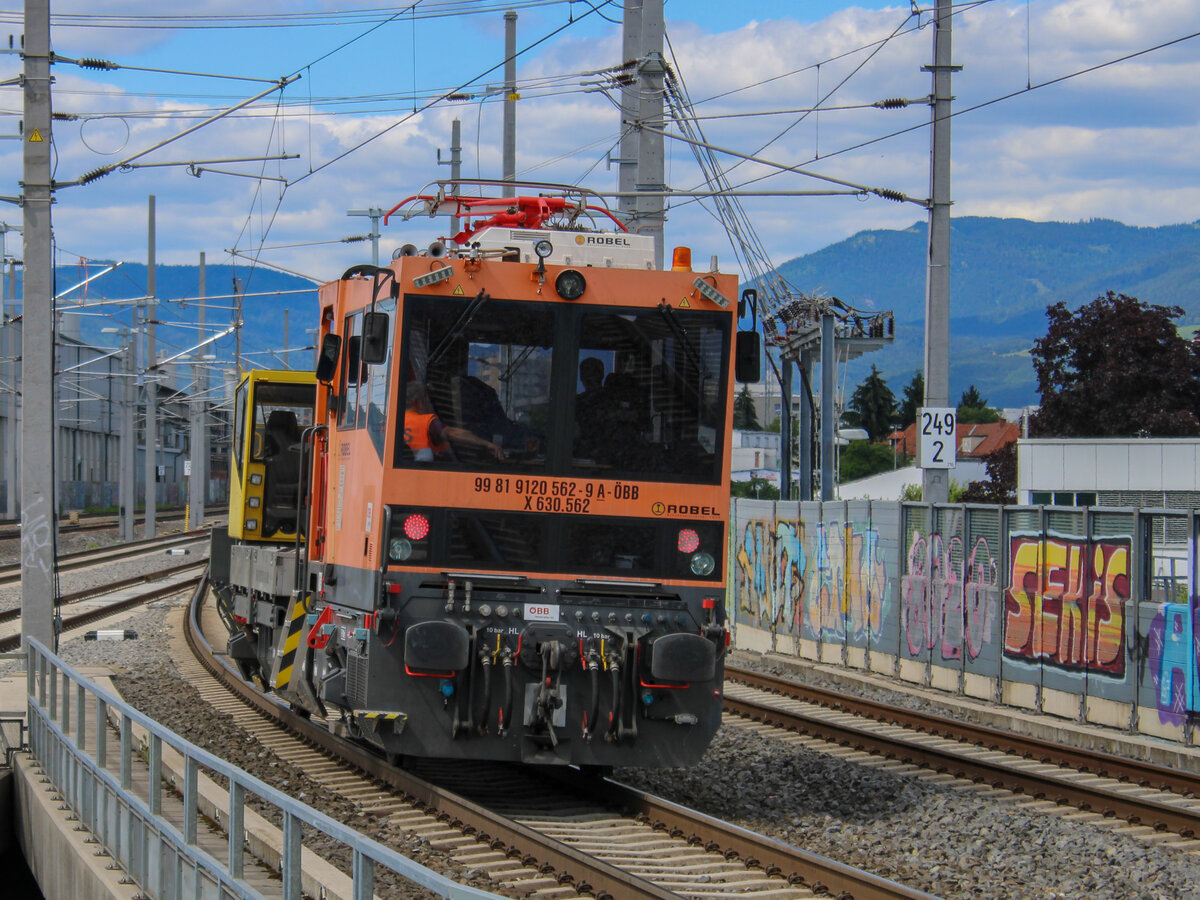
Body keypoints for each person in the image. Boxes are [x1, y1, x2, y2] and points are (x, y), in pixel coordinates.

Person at [403, 382, 504, 462]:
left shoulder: (391, 425)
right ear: (417, 402)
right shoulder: (426, 422)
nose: (428, 404)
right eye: (425, 399)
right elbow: (452, 433)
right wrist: (487, 444)